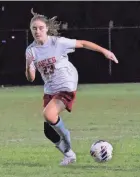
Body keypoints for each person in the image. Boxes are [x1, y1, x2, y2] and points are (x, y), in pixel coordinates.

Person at [25, 9, 118, 166]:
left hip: (66, 84)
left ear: (47, 28)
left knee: (48, 114)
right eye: (34, 28)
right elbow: (31, 78)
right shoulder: (31, 50)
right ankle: (69, 154)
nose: (37, 31)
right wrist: (28, 65)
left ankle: (67, 142)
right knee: (48, 130)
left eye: (41, 28)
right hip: (50, 89)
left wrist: (104, 51)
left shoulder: (57, 42)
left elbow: (82, 43)